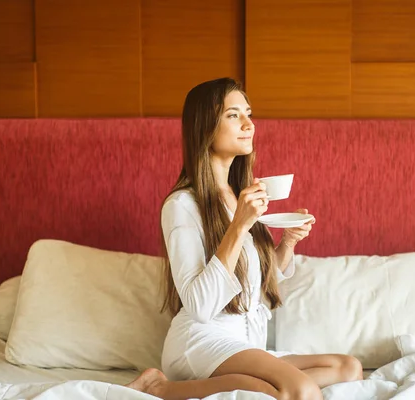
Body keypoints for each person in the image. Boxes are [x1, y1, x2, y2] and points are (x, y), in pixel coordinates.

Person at [126, 78, 362, 400]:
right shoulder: (182, 205)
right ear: (205, 126)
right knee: (300, 390)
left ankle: (252, 383)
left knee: (348, 368)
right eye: (233, 115)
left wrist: (287, 244)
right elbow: (199, 305)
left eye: (249, 114)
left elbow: (253, 283)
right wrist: (237, 227)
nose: (249, 124)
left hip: (245, 340)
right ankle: (163, 387)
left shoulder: (241, 196)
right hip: (203, 339)